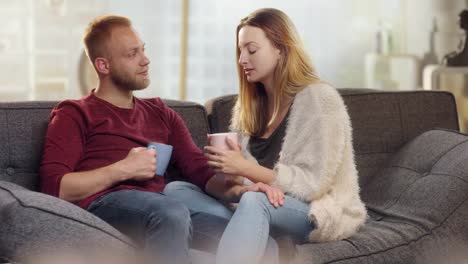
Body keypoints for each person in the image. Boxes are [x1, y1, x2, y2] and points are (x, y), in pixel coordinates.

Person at [165, 8, 367, 264]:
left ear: (281, 49)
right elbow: (243, 183)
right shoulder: (248, 107)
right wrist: (232, 173)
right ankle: (264, 246)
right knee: (176, 190)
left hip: (315, 209)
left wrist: (247, 169)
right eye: (240, 50)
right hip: (256, 201)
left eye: (251, 49)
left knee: (254, 202)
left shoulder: (319, 99)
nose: (242, 59)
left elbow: (313, 185)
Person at [39, 14, 229, 264]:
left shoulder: (161, 113)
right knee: (169, 211)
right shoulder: (74, 113)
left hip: (164, 210)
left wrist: (236, 180)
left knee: (248, 238)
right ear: (103, 66)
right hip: (105, 205)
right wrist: (121, 170)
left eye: (143, 50)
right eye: (132, 55)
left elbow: (200, 172)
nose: (145, 60)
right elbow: (55, 188)